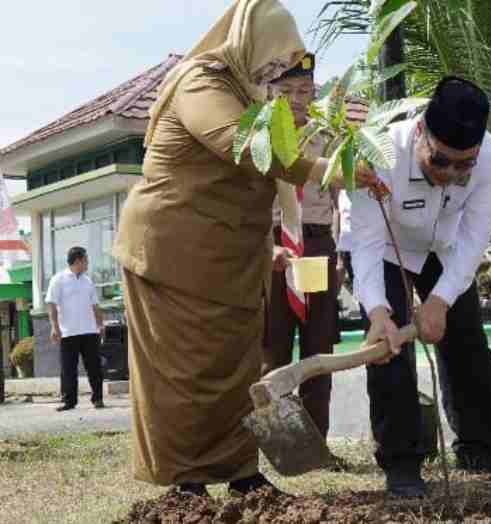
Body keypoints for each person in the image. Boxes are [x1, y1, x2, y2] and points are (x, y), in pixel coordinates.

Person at [112, 0, 368, 497]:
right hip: (172, 255)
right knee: (183, 374)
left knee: (235, 370)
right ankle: (187, 482)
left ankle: (240, 472)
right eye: (274, 61)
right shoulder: (200, 81)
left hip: (229, 260)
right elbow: (243, 145)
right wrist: (327, 169)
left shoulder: (252, 92)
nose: (278, 73)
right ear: (251, 44)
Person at [350, 76, 491, 498]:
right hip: (386, 246)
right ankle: (401, 464)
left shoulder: (489, 154)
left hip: (444, 246)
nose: (452, 175)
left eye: (464, 167)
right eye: (441, 162)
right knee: (388, 353)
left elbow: (476, 235)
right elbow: (364, 243)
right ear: (420, 131)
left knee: (467, 341)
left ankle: (480, 448)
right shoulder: (377, 153)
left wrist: (440, 300)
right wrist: (378, 311)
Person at [263, 53, 342, 444]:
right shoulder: (261, 140)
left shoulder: (326, 137)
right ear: (270, 92)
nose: (296, 99)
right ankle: (277, 441)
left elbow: (338, 200)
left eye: (305, 91)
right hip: (277, 248)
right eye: (287, 90)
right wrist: (265, 248)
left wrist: (338, 253)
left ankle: (316, 443)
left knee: (317, 344)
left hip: (314, 247)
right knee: (273, 344)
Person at [46, 246, 104, 412]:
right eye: (86, 260)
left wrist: (100, 324)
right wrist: (54, 327)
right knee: (68, 369)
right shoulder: (59, 279)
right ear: (78, 260)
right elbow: (51, 305)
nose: (88, 263)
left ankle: (98, 398)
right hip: (68, 332)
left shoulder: (88, 281)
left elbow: (95, 305)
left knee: (94, 367)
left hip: (89, 331)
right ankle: (69, 401)